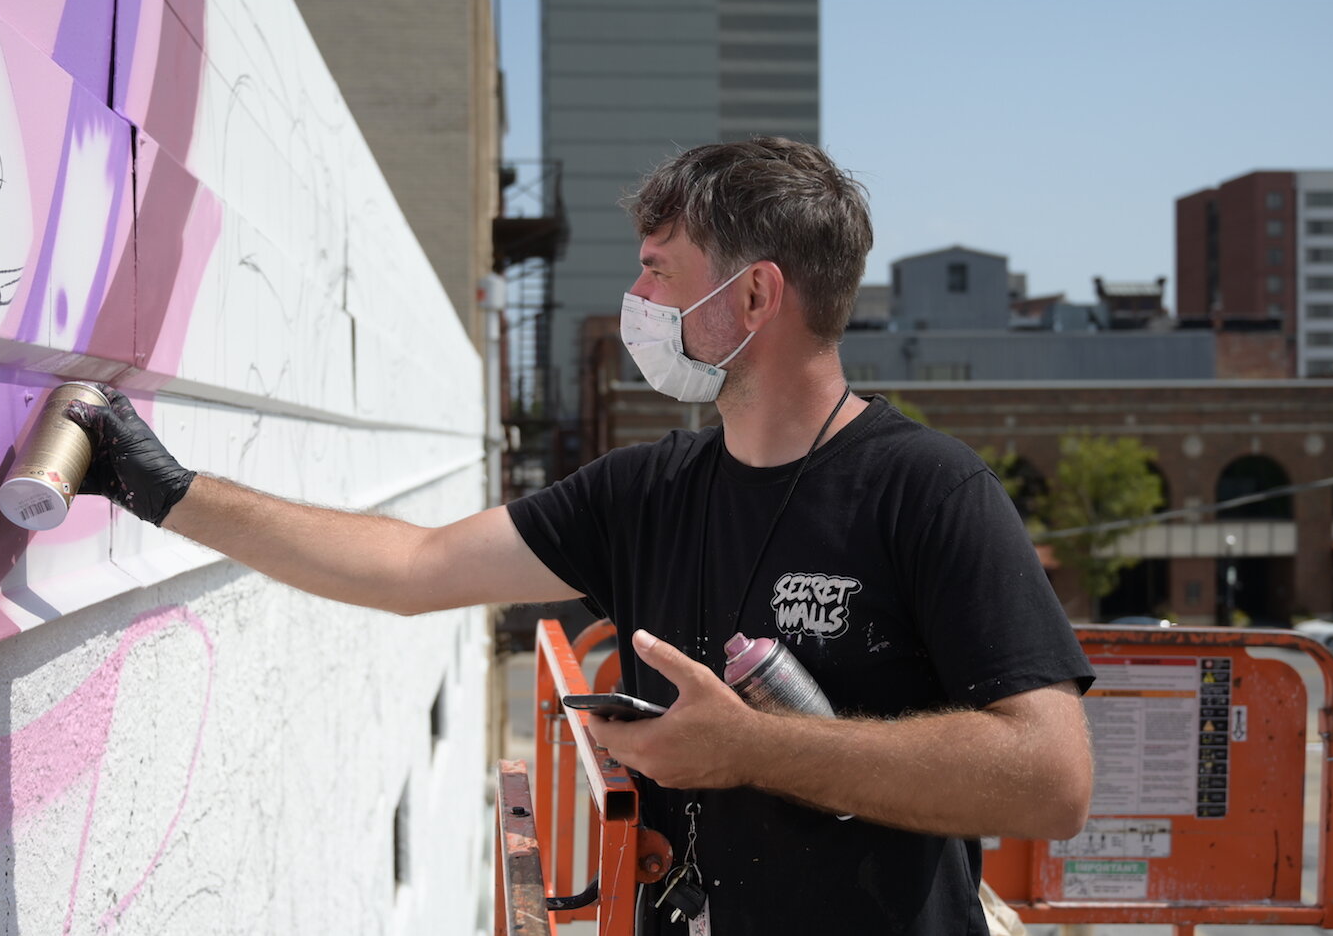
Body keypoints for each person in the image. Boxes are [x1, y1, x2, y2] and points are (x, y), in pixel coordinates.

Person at [67, 137, 1094, 935]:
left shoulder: (930, 488)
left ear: (754, 294)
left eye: (658, 271)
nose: (638, 300)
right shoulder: (644, 491)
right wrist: (170, 492)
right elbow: (412, 567)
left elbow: (1053, 779)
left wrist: (751, 747)